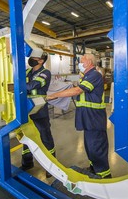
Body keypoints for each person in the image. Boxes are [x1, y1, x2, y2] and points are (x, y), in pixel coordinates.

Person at [46, 54, 111, 179]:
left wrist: (54, 95)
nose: (79, 64)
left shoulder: (94, 75)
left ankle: (104, 176)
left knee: (97, 146)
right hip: (88, 118)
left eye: (82, 61)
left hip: (94, 118)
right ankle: (94, 169)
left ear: (89, 63)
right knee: (90, 146)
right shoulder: (86, 76)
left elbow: (77, 91)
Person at [22, 48, 55, 178]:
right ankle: (27, 163)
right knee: (27, 136)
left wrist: (19, 84)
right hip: (26, 108)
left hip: (39, 109)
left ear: (41, 60)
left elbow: (32, 86)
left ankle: (51, 167)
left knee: (45, 136)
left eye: (34, 58)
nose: (31, 60)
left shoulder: (45, 73)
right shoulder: (28, 71)